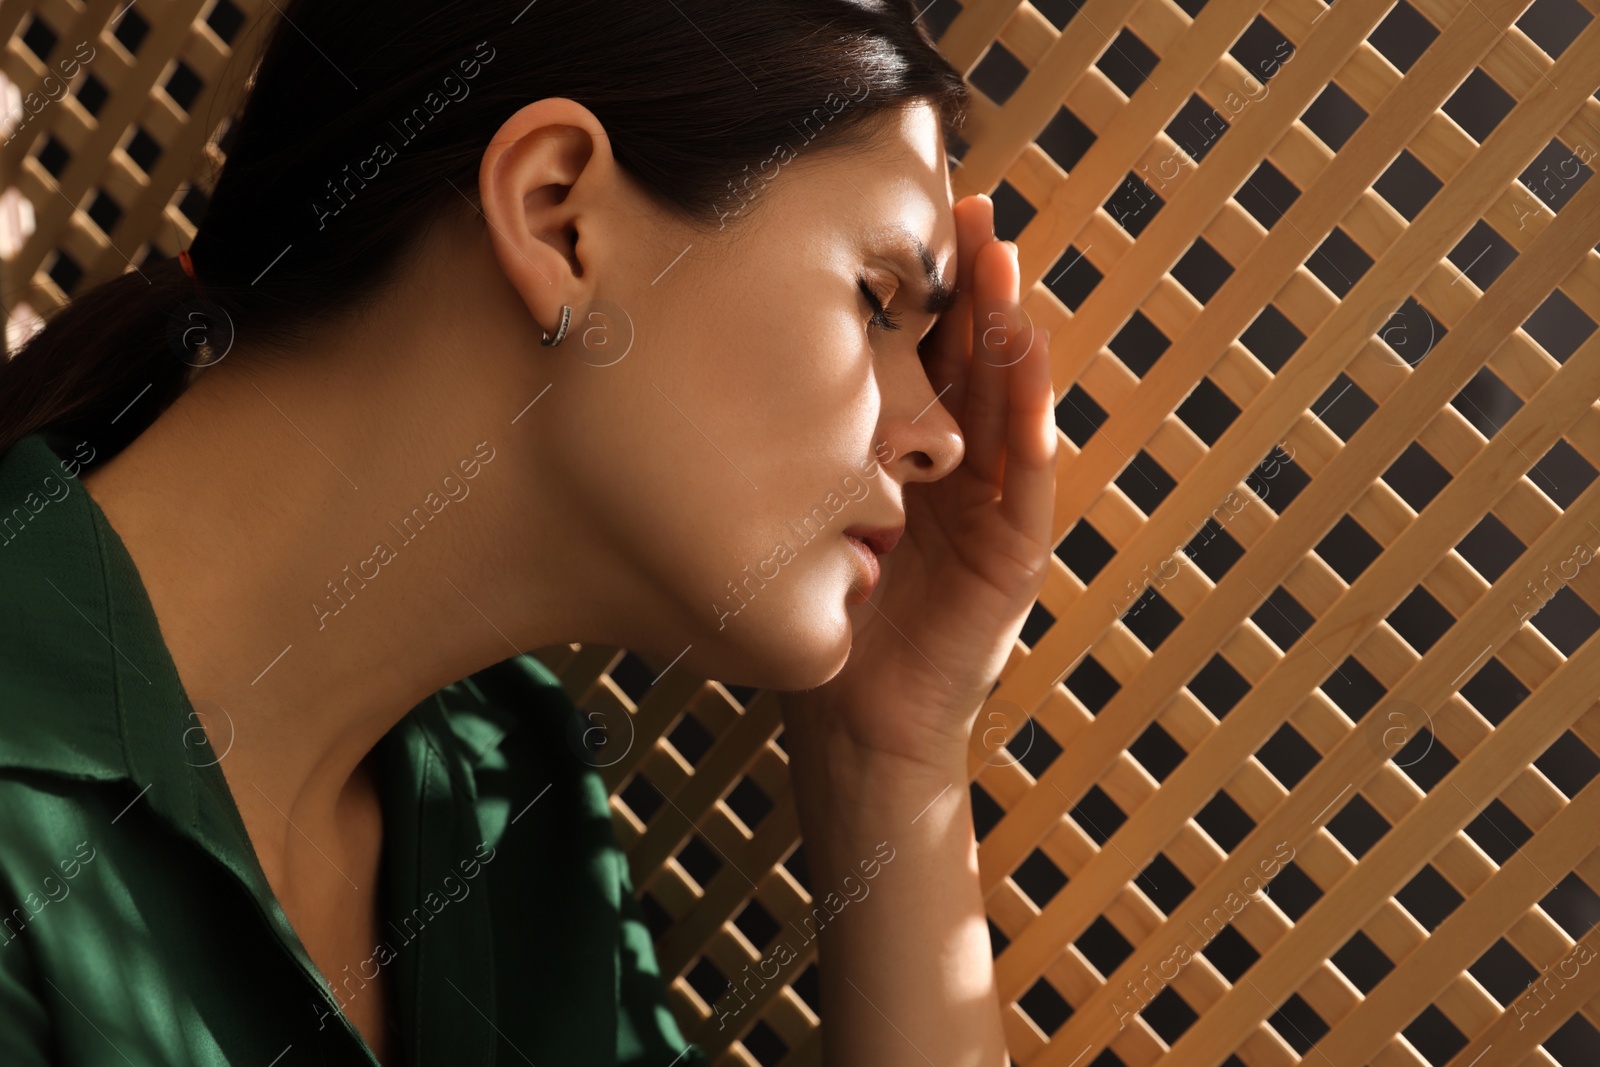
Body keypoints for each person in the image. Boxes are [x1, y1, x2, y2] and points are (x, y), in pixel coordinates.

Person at [0, 1, 1055, 1063]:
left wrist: (888, 757)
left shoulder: (509, 796)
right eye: (878, 304)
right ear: (558, 216)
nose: (940, 439)